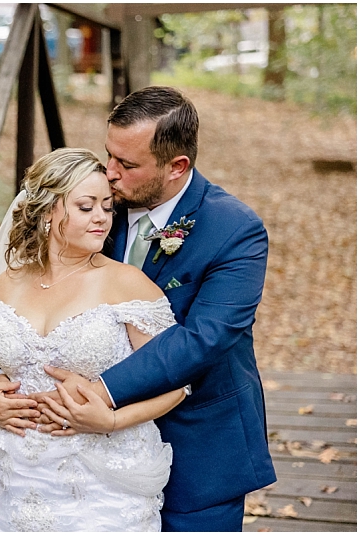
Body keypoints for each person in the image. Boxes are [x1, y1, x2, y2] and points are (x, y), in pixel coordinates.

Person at [17, 86, 276, 531]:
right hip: (86, 458)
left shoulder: (235, 230)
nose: (110, 174)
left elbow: (204, 338)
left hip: (198, 445)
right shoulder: (93, 208)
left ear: (177, 167)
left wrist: (100, 392)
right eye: (108, 156)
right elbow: (42, 294)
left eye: (127, 164)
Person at [0, 147, 188, 531]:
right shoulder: (8, 283)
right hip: (12, 482)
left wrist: (111, 421)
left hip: (101, 485)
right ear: (48, 212)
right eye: (86, 207)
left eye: (106, 206)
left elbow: (177, 382)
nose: (101, 218)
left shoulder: (126, 284)